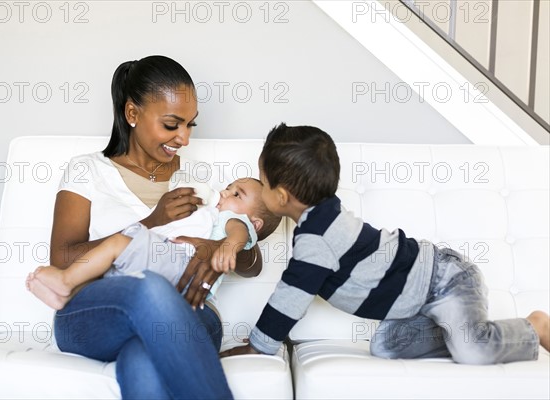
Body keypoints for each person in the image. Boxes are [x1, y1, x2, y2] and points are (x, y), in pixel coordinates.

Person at [31, 55, 264, 399]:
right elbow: (63, 259)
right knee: (150, 288)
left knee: (143, 359)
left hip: (193, 313)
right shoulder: (88, 172)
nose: (184, 138)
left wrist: (220, 247)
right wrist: (151, 222)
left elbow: (253, 264)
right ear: (132, 114)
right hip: (95, 315)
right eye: (172, 125)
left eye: (190, 125)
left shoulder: (198, 184)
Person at [220, 123, 550, 365]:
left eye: (262, 183)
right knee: (386, 347)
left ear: (280, 196)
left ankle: (533, 327)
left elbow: (290, 296)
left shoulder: (316, 239)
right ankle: (453, 332)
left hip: (445, 280)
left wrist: (259, 345)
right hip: (415, 303)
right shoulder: (323, 208)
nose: (260, 190)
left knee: (475, 351)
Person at [27, 177, 281, 310]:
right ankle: (68, 294)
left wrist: (226, 247)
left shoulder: (234, 219)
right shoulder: (215, 213)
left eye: (237, 194)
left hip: (181, 263)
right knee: (115, 270)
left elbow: (240, 236)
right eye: (228, 187)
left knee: (118, 243)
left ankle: (66, 283)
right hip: (173, 267)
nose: (224, 193)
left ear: (255, 222)